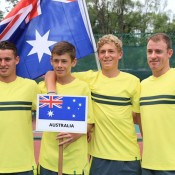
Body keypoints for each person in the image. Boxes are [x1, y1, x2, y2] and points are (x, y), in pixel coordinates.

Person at [45, 34, 142, 175]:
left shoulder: (133, 82)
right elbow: (51, 73)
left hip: (128, 156)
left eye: (111, 51)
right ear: (98, 56)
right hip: (98, 157)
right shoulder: (88, 79)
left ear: (120, 54)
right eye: (102, 52)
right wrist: (51, 93)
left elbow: (138, 117)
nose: (106, 55)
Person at [38, 41, 94, 175]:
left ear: (73, 62)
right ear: (51, 61)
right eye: (56, 61)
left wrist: (77, 133)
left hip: (75, 162)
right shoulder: (42, 87)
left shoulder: (82, 87)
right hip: (48, 161)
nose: (59, 65)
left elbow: (90, 123)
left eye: (64, 61)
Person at [0, 41, 38, 174]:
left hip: (24, 166)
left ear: (17, 60)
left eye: (7, 59)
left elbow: (55, 111)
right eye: (0, 60)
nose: (3, 64)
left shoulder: (31, 86)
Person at [140, 33, 175, 175]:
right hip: (147, 165)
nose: (153, 56)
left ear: (169, 53)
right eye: (149, 51)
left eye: (158, 51)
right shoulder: (142, 85)